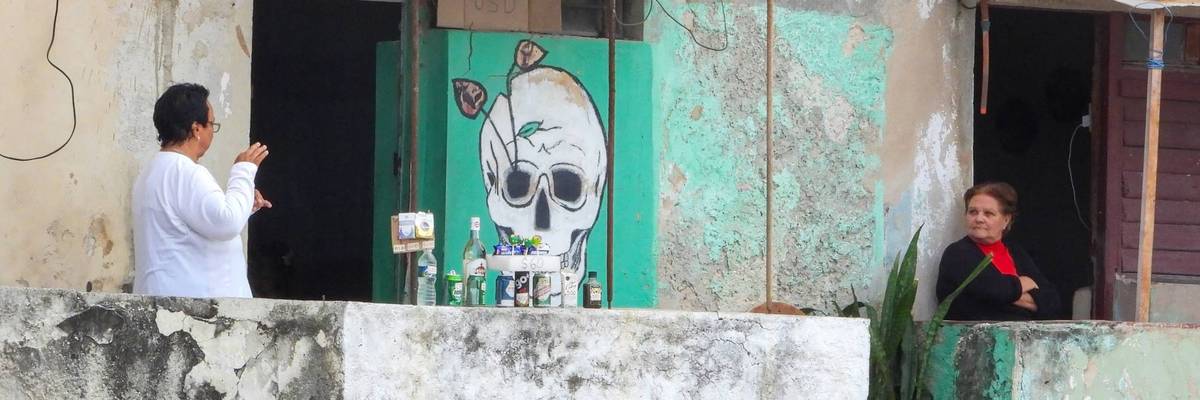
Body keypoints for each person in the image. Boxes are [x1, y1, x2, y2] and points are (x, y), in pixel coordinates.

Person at [132, 83, 271, 298]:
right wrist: (243, 171)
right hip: (195, 313)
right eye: (212, 125)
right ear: (196, 129)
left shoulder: (150, 172)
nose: (212, 132)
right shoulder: (187, 172)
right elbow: (227, 222)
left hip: (163, 302)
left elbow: (198, 223)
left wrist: (244, 204)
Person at [936, 182, 1060, 321]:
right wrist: (1024, 284)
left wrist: (1006, 295)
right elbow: (995, 291)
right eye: (973, 212)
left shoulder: (1016, 252)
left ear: (1006, 220)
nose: (979, 219)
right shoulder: (957, 254)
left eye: (988, 213)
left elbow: (1051, 302)